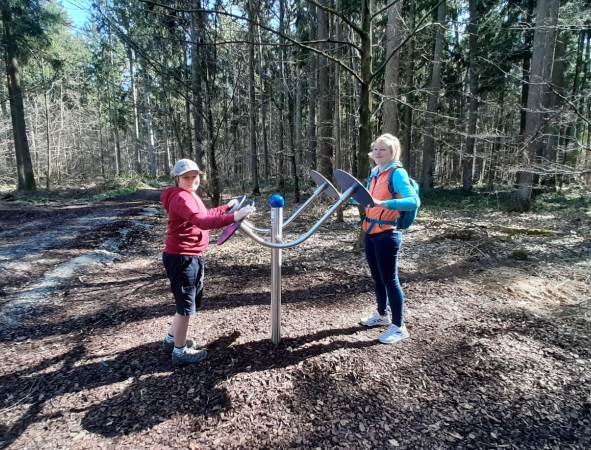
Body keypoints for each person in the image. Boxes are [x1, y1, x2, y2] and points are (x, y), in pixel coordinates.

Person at [161, 158, 255, 365]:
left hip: (188, 256)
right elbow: (201, 221)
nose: (192, 180)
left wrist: (226, 207)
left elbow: (204, 214)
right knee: (186, 304)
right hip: (182, 258)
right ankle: (179, 351)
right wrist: (235, 216)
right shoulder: (181, 198)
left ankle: (171, 339)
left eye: (195, 177)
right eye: (187, 177)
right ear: (177, 178)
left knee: (185, 301)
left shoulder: (189, 195)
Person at [359, 134, 420, 344]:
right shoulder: (375, 173)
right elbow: (370, 201)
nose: (377, 152)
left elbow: (413, 201)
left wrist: (384, 204)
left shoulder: (397, 173)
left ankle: (399, 326)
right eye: (375, 148)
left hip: (387, 234)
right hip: (370, 232)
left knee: (390, 280)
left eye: (382, 149)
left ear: (392, 152)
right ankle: (381, 315)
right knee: (378, 278)